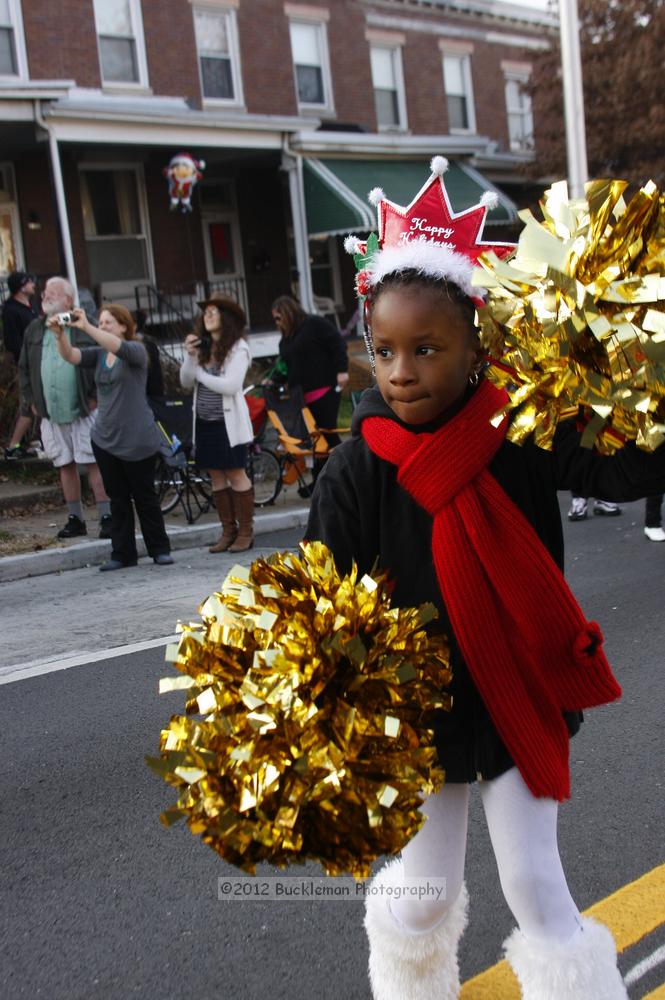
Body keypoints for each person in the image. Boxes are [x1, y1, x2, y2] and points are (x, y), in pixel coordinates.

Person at [305, 161, 660, 999]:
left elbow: (616, 467)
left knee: (535, 887)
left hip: (512, 694)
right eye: (383, 350)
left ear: (476, 349)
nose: (399, 371)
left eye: (425, 349)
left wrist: (640, 389)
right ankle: (405, 982)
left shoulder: (522, 431)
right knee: (423, 899)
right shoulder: (358, 469)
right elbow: (322, 593)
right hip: (419, 711)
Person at [50, 303, 172, 571]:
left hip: (138, 437)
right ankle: (122, 553)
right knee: (116, 498)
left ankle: (159, 549)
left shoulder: (136, 351)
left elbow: (117, 346)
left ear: (124, 327)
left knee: (144, 496)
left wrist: (88, 326)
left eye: (108, 322)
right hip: (105, 437)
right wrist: (60, 335)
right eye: (101, 322)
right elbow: (71, 356)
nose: (103, 326)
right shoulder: (99, 353)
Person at [18, 276, 111, 539]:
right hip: (50, 412)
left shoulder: (82, 327)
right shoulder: (34, 329)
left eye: (52, 292)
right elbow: (24, 368)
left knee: (93, 462)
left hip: (84, 409)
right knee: (64, 464)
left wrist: (95, 396)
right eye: (45, 292)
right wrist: (32, 401)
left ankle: (106, 516)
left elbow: (100, 359)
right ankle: (75, 519)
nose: (44, 296)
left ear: (69, 300)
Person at [179, 293, 254, 553]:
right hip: (205, 423)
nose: (207, 316)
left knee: (235, 472)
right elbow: (186, 381)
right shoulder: (204, 347)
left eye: (214, 311)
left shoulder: (238, 348)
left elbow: (231, 385)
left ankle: (245, 531)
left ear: (227, 317)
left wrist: (200, 373)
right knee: (216, 476)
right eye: (205, 312)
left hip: (228, 424)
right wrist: (190, 357)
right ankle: (227, 531)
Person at [271, 293, 349, 445]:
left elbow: (338, 343)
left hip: (324, 391)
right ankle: (319, 469)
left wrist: (342, 370)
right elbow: (287, 366)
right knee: (313, 441)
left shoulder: (314, 324)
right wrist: (272, 380)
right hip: (301, 397)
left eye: (278, 318)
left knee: (327, 434)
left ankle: (343, 466)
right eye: (275, 319)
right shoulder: (287, 338)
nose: (277, 323)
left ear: (288, 313)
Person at [2, 271, 39, 459]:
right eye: (28, 281)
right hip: (29, 364)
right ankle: (13, 446)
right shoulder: (11, 310)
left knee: (36, 403)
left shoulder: (30, 307)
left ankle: (27, 441)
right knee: (31, 403)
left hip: (40, 361)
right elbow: (12, 342)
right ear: (20, 287)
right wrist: (25, 359)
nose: (33, 284)